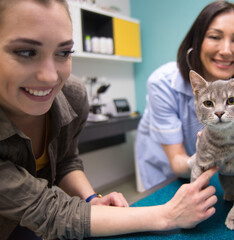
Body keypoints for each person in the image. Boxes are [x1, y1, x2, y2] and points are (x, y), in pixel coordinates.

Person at [0, 0, 218, 239]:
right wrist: (168, 215)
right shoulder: (162, 82)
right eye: (25, 52)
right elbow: (51, 213)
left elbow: (65, 161)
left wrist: (92, 199)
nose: (50, 77)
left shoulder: (71, 95)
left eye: (63, 52)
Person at [135, 1, 234, 191]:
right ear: (196, 42)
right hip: (166, 177)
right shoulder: (162, 83)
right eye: (215, 37)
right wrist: (203, 155)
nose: (226, 50)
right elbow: (177, 162)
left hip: (213, 175)